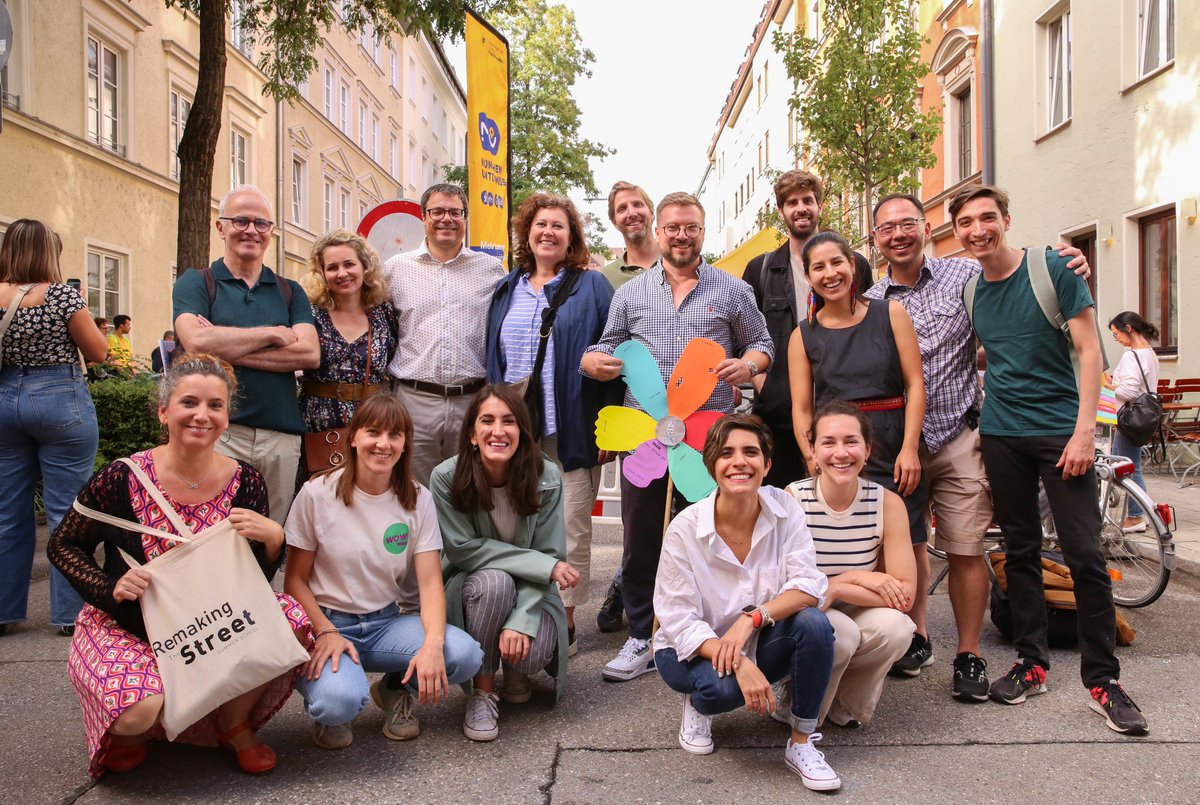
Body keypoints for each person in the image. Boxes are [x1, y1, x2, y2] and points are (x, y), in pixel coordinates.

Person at [866, 192, 1092, 696]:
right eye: (887, 228)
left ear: (925, 229)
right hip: (901, 441)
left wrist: (1066, 261)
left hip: (960, 436)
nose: (898, 234)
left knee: (966, 547)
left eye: (907, 224)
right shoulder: (873, 300)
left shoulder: (963, 279)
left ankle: (968, 653)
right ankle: (918, 636)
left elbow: (1008, 272)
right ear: (876, 239)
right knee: (910, 543)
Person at [47, 354, 311, 777]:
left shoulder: (246, 481)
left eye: (215, 406)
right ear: (164, 411)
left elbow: (251, 584)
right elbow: (63, 545)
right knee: (139, 710)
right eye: (189, 403)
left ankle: (233, 723)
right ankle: (135, 730)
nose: (202, 416)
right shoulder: (122, 478)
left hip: (208, 623)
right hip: (131, 626)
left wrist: (275, 540)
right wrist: (108, 587)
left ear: (227, 417)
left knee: (287, 617)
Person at [950, 184, 1147, 734]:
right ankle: (1031, 662)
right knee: (1021, 550)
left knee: (1085, 554)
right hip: (1002, 435)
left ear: (1006, 220)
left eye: (986, 218)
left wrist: (1086, 433)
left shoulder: (1052, 268)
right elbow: (1003, 351)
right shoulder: (971, 292)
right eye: (966, 223)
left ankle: (1103, 681)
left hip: (1063, 433)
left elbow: (1090, 351)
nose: (977, 230)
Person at [581, 191, 773, 683]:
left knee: (711, 538)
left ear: (701, 231)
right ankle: (643, 635)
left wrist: (748, 364)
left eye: (690, 227)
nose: (681, 235)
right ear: (659, 232)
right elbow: (606, 347)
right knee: (642, 538)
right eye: (673, 228)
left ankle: (705, 635)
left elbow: (762, 343)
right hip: (646, 438)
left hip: (711, 440)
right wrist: (592, 360)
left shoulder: (732, 289)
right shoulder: (630, 293)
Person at [284, 394, 483, 750]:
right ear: (354, 437)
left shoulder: (417, 498)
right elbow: (294, 581)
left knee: (464, 656)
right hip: (328, 624)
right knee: (338, 703)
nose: (383, 443)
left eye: (395, 435)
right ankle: (334, 703)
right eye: (373, 431)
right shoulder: (317, 493)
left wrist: (433, 645)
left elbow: (429, 583)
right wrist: (325, 631)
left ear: (405, 443)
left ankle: (393, 688)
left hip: (386, 624)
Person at [652, 413, 839, 791]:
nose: (739, 461)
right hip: (690, 649)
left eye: (750, 452)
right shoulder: (685, 529)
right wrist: (737, 661)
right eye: (726, 453)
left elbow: (809, 586)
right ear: (712, 466)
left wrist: (752, 620)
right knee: (718, 692)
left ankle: (801, 742)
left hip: (757, 636)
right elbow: (678, 618)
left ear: (767, 464)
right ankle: (696, 704)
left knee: (816, 625)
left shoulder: (786, 511)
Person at [486, 193, 614, 656]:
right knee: (513, 523)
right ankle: (517, 614)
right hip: (514, 428)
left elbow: (613, 351)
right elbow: (492, 359)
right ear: (528, 232)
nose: (548, 233)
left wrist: (609, 428)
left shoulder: (592, 286)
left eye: (559, 226)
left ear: (571, 237)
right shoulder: (507, 288)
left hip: (573, 425)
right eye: (541, 224)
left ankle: (566, 618)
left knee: (571, 524)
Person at [788, 229, 926, 628]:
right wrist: (813, 456)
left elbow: (915, 383)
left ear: (853, 265)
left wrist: (911, 448)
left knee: (909, 537)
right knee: (847, 537)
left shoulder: (890, 313)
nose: (829, 273)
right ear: (809, 277)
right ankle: (851, 623)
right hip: (836, 448)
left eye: (836, 262)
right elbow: (802, 408)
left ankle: (916, 634)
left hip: (892, 436)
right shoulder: (803, 334)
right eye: (818, 267)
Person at [430, 384, 577, 742]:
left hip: (533, 593)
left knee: (532, 653)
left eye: (509, 421)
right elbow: (464, 551)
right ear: (472, 434)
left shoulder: (546, 476)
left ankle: (514, 668)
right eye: (488, 421)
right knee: (495, 580)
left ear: (522, 431)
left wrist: (521, 620)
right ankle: (482, 691)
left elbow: (549, 555)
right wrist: (541, 565)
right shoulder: (446, 478)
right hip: (474, 588)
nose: (499, 431)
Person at [173, 185, 319, 524]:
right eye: (240, 220)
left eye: (261, 223)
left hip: (280, 437)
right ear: (220, 227)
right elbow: (194, 341)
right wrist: (270, 333)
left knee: (269, 535)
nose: (251, 230)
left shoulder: (289, 291)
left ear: (270, 233)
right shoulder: (196, 283)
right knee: (210, 532)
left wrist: (221, 344)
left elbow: (309, 353)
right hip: (217, 431)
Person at [1, 219, 107, 638]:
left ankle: (5, 611)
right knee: (67, 511)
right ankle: (69, 615)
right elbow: (97, 351)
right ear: (49, 253)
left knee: (8, 512)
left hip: (6, 399)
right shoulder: (62, 295)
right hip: (59, 396)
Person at [786, 402, 916, 728]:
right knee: (839, 633)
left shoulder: (887, 503)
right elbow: (786, 584)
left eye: (851, 441)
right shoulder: (794, 499)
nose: (841, 453)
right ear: (812, 451)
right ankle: (801, 708)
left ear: (868, 450)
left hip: (854, 603)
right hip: (805, 609)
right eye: (828, 442)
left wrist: (841, 586)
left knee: (898, 629)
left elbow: (905, 595)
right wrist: (854, 578)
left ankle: (845, 701)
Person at [743, 171, 874, 489]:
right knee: (779, 509)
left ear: (820, 206)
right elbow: (744, 336)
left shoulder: (854, 265)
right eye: (792, 202)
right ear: (781, 211)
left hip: (843, 410)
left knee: (841, 508)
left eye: (807, 200)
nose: (801, 208)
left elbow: (867, 331)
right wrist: (765, 384)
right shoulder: (761, 270)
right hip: (780, 418)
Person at [383, 183, 506, 486]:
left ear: (466, 218)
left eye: (455, 212)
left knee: (468, 491)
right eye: (437, 211)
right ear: (423, 217)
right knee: (412, 493)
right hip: (414, 401)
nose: (446, 219)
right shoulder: (395, 269)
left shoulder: (492, 270)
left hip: (471, 401)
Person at [594, 180, 661, 636]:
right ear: (614, 220)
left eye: (638, 204)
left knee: (682, 513)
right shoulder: (606, 280)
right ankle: (627, 582)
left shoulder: (685, 261)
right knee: (637, 514)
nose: (632, 213)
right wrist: (604, 427)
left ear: (651, 211)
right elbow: (604, 352)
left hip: (689, 411)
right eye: (622, 208)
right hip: (633, 413)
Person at [298, 229, 398, 467]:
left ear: (365, 267)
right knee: (322, 494)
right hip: (318, 420)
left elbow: (393, 363)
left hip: (372, 421)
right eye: (332, 267)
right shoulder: (310, 313)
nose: (342, 273)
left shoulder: (383, 313)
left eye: (349, 264)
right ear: (322, 273)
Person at [1105, 311, 1161, 532]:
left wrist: (1107, 385)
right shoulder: (1149, 352)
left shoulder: (1131, 355)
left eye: (1116, 333)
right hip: (1144, 415)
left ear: (1128, 328)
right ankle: (1144, 514)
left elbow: (1128, 391)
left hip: (1129, 417)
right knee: (1132, 465)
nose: (1116, 338)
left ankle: (1137, 516)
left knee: (1127, 468)